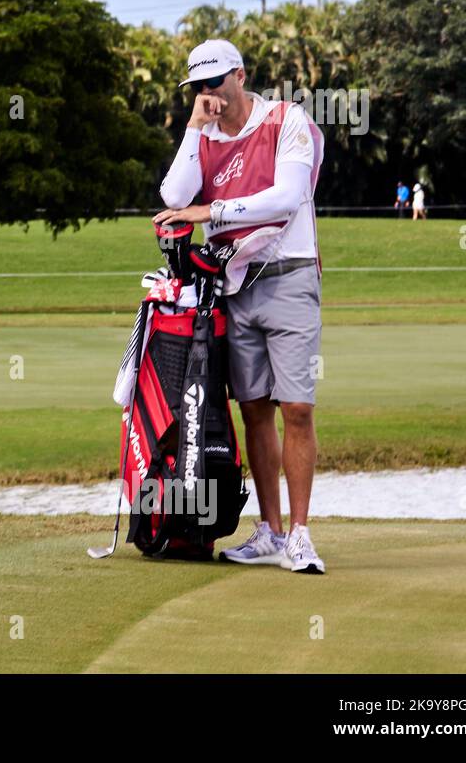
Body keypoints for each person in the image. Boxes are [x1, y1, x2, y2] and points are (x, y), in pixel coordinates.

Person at [154, 38, 326, 574]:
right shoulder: (203, 135)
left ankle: (300, 533)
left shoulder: (285, 119)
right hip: (235, 287)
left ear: (239, 75)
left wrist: (212, 210)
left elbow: (286, 196)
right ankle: (270, 531)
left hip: (290, 274)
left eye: (215, 82)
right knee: (254, 409)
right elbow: (172, 195)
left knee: (296, 407)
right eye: (198, 87)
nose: (209, 94)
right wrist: (191, 128)